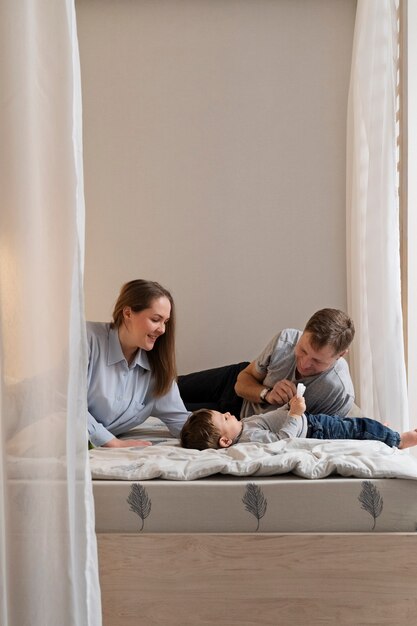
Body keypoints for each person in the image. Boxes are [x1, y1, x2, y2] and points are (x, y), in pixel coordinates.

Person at [178, 308, 355, 419]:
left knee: (169, 409)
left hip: (236, 420)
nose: (304, 363)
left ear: (340, 355)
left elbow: (314, 433)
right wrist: (267, 394)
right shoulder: (286, 340)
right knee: (168, 385)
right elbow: (242, 382)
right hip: (233, 382)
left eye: (317, 361)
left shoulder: (338, 393)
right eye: (302, 350)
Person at [87, 280, 190, 448]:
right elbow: (65, 405)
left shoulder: (156, 366)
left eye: (166, 322)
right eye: (156, 319)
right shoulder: (86, 340)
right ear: (127, 313)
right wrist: (112, 442)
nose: (163, 330)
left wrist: (226, 431)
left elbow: (180, 420)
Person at [180, 395, 417, 451]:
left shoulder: (242, 427)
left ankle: (383, 433)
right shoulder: (250, 438)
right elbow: (283, 440)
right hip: (316, 430)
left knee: (356, 426)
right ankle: (400, 439)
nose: (229, 413)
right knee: (356, 429)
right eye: (224, 418)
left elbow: (270, 420)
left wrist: (287, 406)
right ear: (225, 440)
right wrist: (293, 414)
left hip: (313, 422)